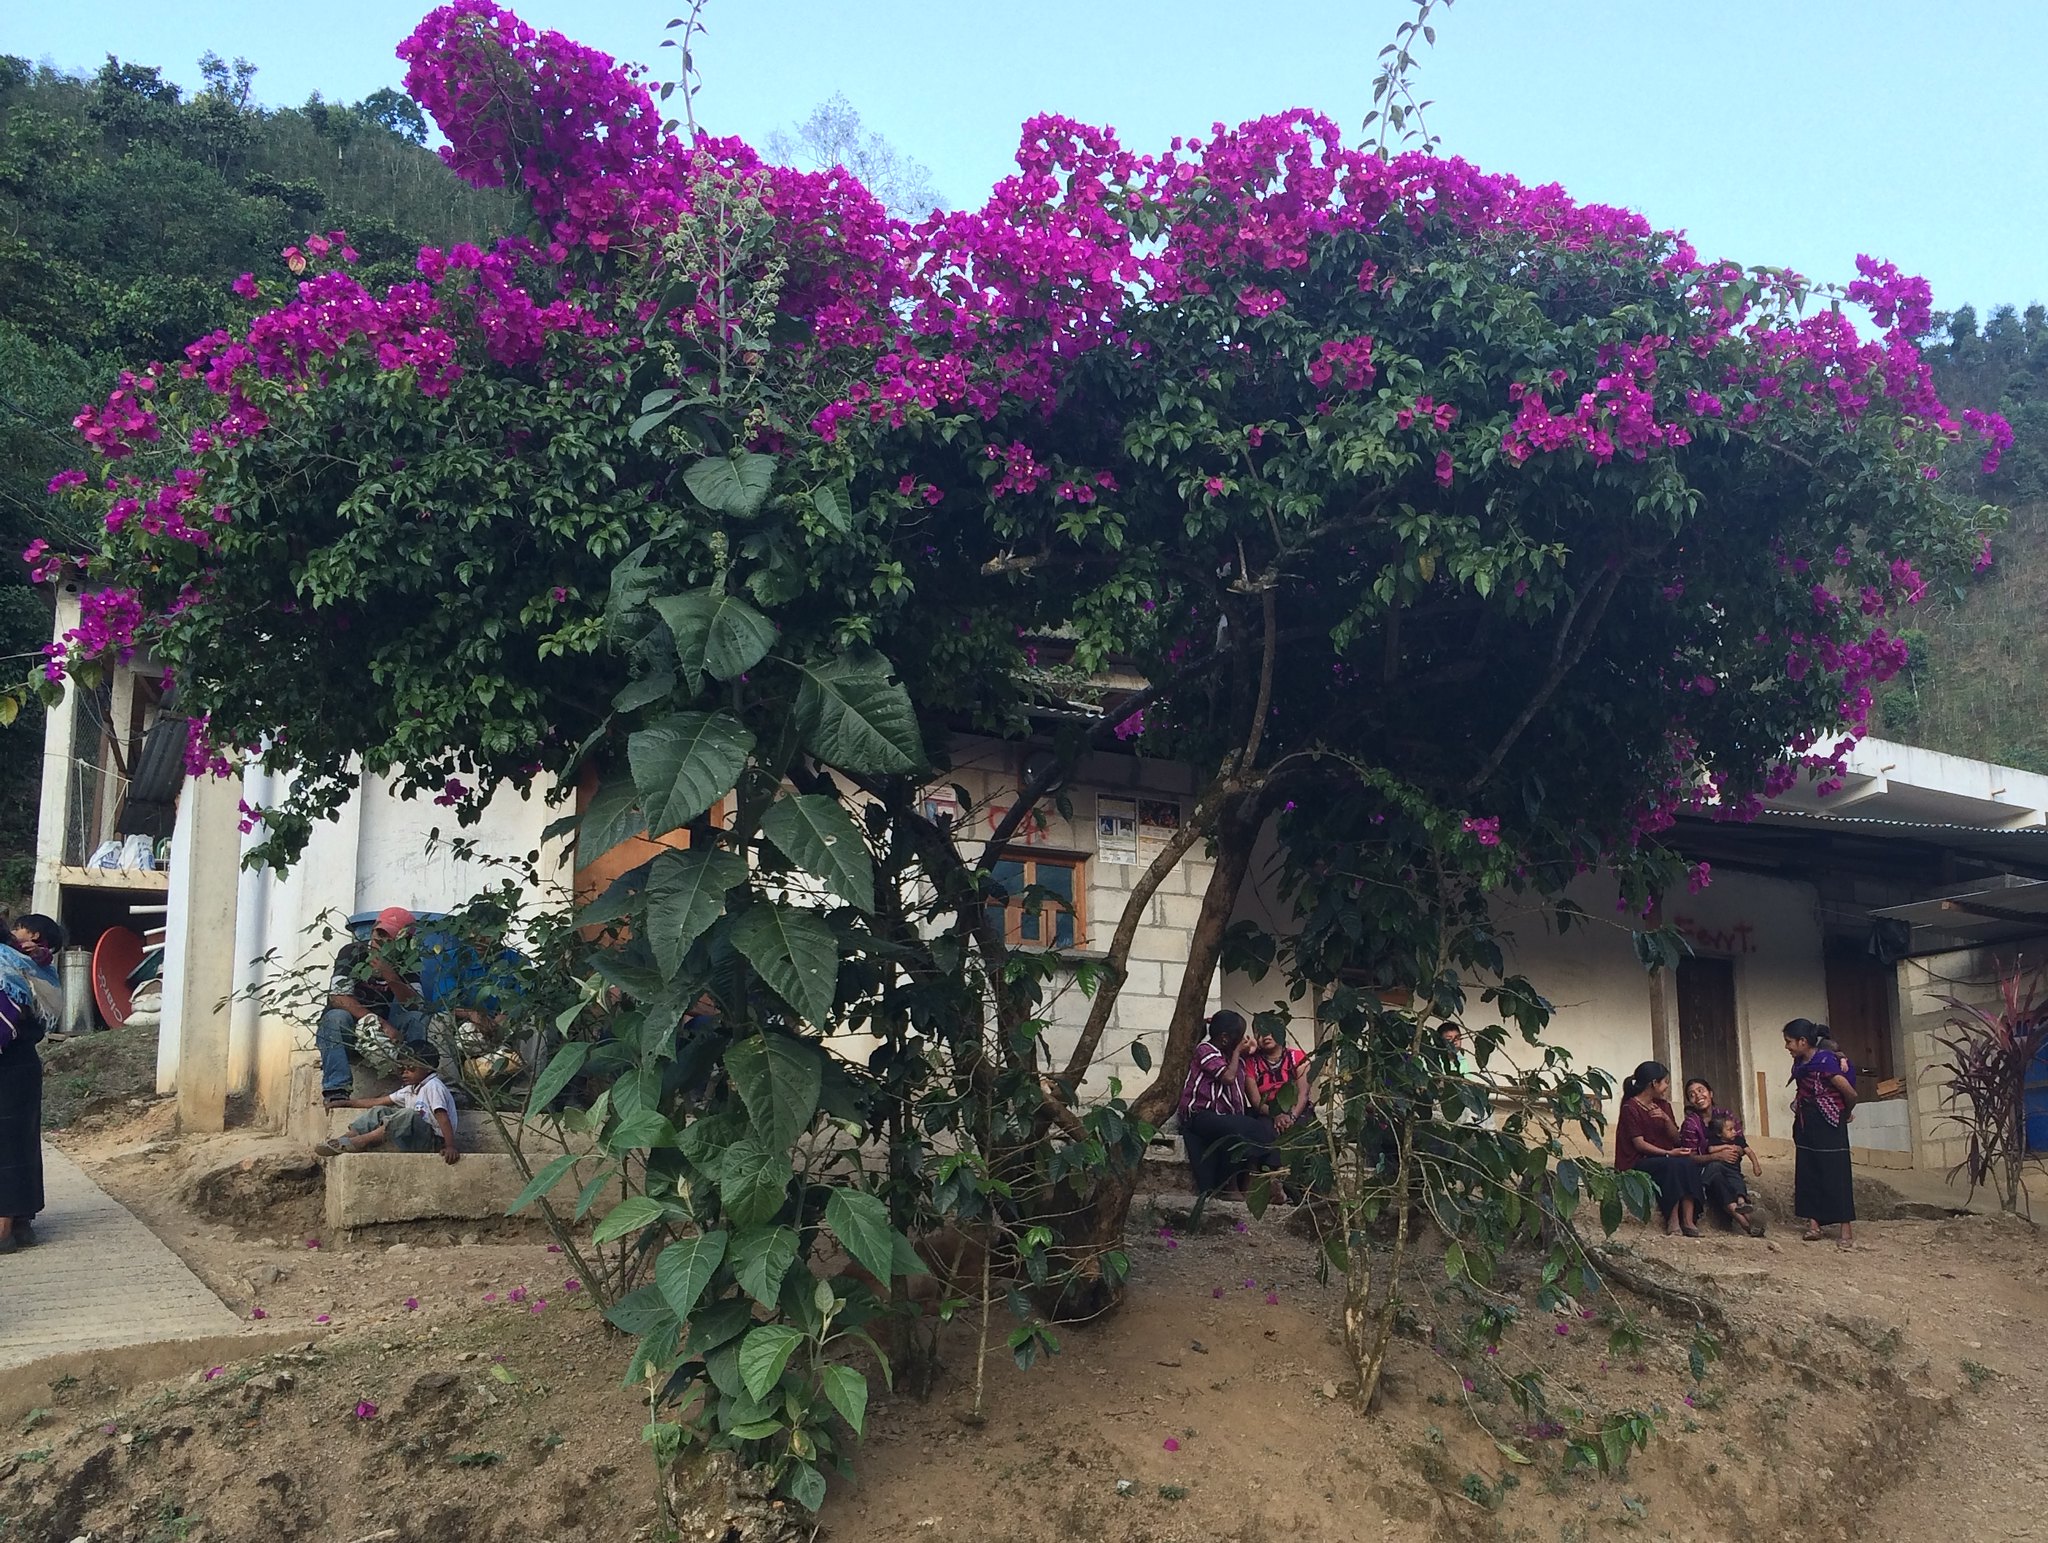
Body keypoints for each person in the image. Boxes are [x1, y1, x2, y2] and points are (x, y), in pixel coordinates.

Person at [316, 907, 431, 1105]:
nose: (382, 940)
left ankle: (414, 1085)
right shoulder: (352, 952)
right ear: (373, 929)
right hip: (352, 1029)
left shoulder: (408, 961)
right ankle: (337, 1088)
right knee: (336, 1017)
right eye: (380, 932)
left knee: (417, 1018)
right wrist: (379, 1022)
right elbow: (338, 997)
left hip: (388, 1035)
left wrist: (390, 976)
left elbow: (416, 1004)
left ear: (403, 942)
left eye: (391, 937)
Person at [0, 916, 61, 1253]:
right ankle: (21, 1222)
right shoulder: (30, 962)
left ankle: (4, 1227)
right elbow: (44, 1010)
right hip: (24, 1063)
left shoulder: (4, 962)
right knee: (20, 1141)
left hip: (5, 1060)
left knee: (4, 1145)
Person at [1177, 1010, 1278, 1197]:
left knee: (1259, 1124)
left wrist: (1245, 1050)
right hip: (1199, 1116)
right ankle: (1234, 1186)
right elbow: (1227, 1078)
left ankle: (1254, 1182)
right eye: (1239, 1037)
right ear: (1225, 1039)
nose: (1242, 1041)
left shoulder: (1231, 1055)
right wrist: (1238, 1051)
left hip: (1223, 1116)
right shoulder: (1205, 1051)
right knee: (1247, 1127)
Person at [314, 1044, 460, 1163]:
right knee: (379, 1110)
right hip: (415, 1138)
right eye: (402, 1069)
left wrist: (450, 1146)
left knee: (408, 1114)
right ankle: (346, 1139)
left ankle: (363, 1141)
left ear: (428, 1068)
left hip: (433, 1142)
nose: (405, 1073)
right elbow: (378, 1101)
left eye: (411, 1069)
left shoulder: (433, 1086)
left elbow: (442, 1117)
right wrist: (346, 1103)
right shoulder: (411, 1089)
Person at [1785, 1017, 1857, 1247]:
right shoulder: (1799, 1064)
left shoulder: (1826, 1062)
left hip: (1830, 1124)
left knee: (1836, 1172)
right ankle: (1813, 1225)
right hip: (1807, 1124)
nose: (1787, 1047)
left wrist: (1844, 1113)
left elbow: (1850, 1093)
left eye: (1789, 1042)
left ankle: (1845, 1230)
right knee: (1808, 1171)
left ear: (1803, 1041)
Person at [1613, 1060, 1706, 1237]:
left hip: (1663, 1157)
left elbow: (1676, 1138)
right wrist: (1669, 1153)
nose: (1666, 1087)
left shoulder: (1664, 1106)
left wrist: (1666, 1119)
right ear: (1653, 1083)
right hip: (1637, 1160)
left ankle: (1688, 1220)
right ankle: (1673, 1220)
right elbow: (1639, 1144)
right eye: (1665, 1082)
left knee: (1688, 1162)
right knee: (1672, 1164)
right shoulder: (1630, 1107)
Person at [1679, 1077, 1765, 1236]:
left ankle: (1747, 1221)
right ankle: (1746, 1223)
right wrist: (1717, 1156)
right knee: (1716, 1174)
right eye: (1692, 1095)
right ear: (1690, 1102)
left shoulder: (1726, 1116)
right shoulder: (1691, 1124)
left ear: (1710, 1093)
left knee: (1725, 1178)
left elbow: (1740, 1145)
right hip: (1703, 1171)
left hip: (1730, 1168)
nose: (1698, 1096)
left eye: (1701, 1090)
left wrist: (1734, 1151)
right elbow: (1689, 1157)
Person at [1242, 1021, 1314, 1138]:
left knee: (1303, 1136)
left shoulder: (1298, 1057)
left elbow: (1303, 1094)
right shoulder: (1250, 1063)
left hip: (1298, 1110)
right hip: (1266, 1112)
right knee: (1266, 1137)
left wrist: (1292, 1116)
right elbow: (1256, 1102)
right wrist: (1276, 1115)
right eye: (1259, 1031)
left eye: (1270, 1030)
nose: (1265, 1035)